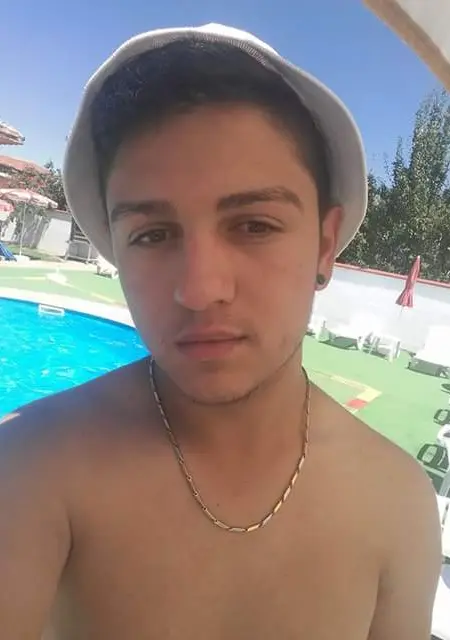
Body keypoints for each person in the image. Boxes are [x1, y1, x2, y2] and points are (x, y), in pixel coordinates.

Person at [0, 24, 441, 639]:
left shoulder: (397, 504)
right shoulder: (31, 465)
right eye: (153, 235)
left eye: (254, 225)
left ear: (324, 245)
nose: (200, 288)